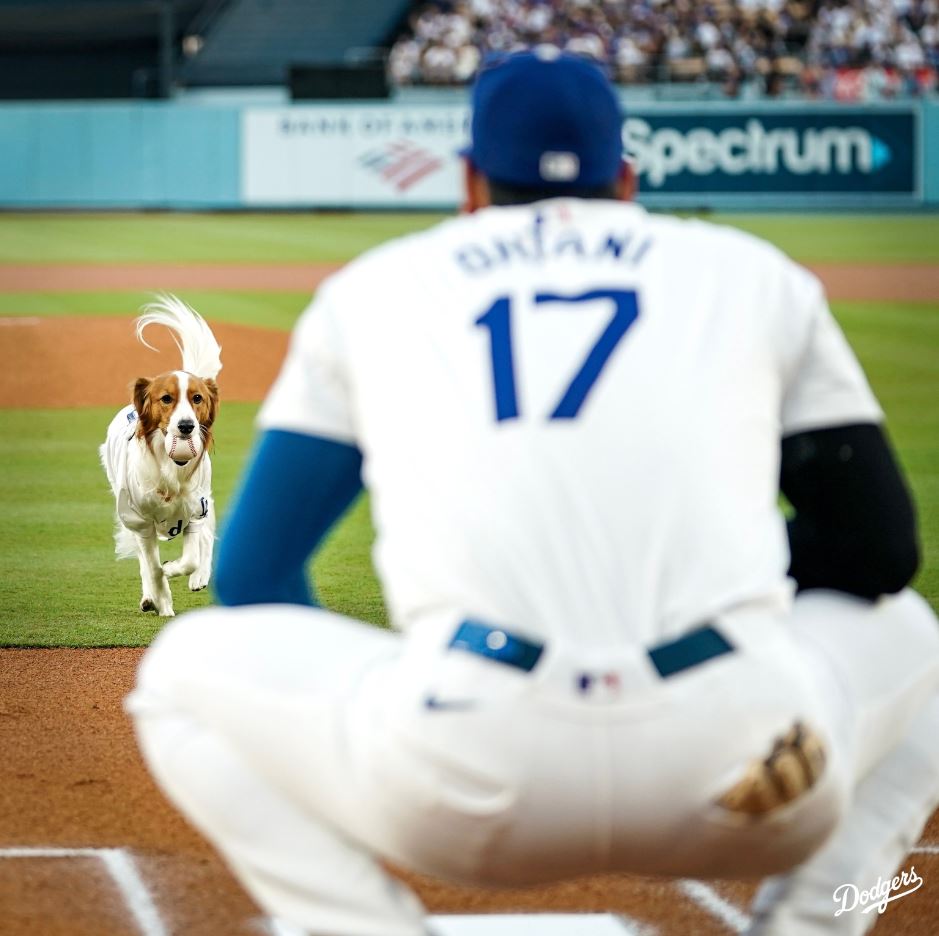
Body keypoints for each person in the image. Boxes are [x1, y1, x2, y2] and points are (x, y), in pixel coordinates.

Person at [127, 50, 939, 936]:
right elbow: (881, 552)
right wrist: (724, 561)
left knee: (177, 678)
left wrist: (407, 689)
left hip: (463, 777)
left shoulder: (373, 292)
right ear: (626, 179)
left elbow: (250, 575)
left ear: (470, 183)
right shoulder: (754, 276)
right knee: (913, 634)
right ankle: (812, 924)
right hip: (744, 767)